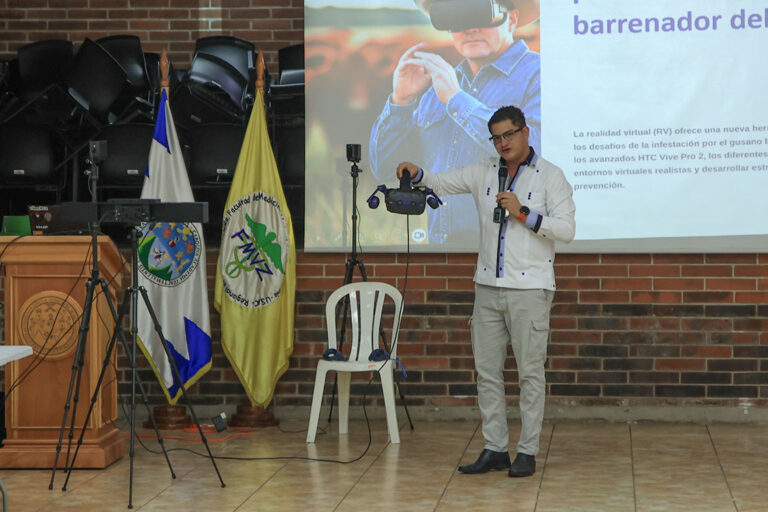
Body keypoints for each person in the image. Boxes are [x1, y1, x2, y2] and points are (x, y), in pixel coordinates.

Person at [396, 105, 575, 477]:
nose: (503, 143)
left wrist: (524, 213)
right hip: (488, 288)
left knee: (529, 374)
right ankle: (495, 448)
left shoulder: (551, 176)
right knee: (487, 373)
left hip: (530, 289)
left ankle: (527, 452)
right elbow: (442, 182)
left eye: (509, 135)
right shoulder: (483, 170)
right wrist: (418, 173)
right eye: (496, 138)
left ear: (525, 132)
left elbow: (566, 229)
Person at [370, 0, 541, 246]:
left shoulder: (541, 74)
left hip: (510, 253)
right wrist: (401, 101)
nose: (470, 28)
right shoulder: (437, 88)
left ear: (511, 19)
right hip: (442, 250)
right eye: (457, 17)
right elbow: (386, 169)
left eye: (480, 13)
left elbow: (533, 154)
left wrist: (456, 99)